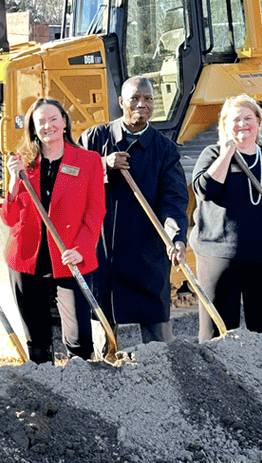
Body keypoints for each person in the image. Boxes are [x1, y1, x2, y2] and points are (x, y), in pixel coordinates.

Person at [80, 76, 188, 351]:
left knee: (159, 343)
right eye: (135, 99)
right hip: (103, 253)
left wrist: (176, 237)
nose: (142, 104)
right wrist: (102, 165)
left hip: (148, 254)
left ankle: (164, 378)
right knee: (102, 330)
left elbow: (174, 201)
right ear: (121, 103)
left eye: (148, 99)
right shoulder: (94, 139)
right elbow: (72, 180)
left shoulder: (165, 150)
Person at [191, 94, 262, 342]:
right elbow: (205, 190)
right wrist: (227, 152)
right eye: (235, 120)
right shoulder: (212, 154)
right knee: (217, 334)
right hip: (219, 258)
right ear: (225, 125)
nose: (242, 124)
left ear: (258, 122)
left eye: (248, 118)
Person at [1, 98, 105, 364]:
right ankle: (44, 390)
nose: (48, 126)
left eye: (53, 119)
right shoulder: (21, 162)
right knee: (37, 340)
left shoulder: (89, 161)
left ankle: (80, 390)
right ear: (33, 129)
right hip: (27, 260)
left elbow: (95, 213)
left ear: (64, 121)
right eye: (40, 122)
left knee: (79, 338)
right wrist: (14, 182)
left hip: (69, 258)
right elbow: (9, 217)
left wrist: (81, 250)